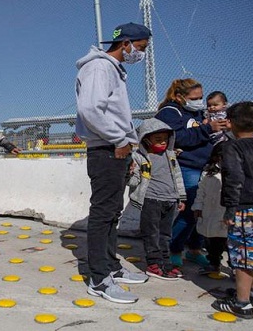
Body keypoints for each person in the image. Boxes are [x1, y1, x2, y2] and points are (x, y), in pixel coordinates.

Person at [75, 22, 151, 304]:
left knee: (111, 213)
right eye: (140, 48)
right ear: (126, 43)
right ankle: (98, 279)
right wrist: (119, 139)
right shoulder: (100, 67)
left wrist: (125, 146)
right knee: (103, 214)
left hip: (115, 148)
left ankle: (111, 267)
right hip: (107, 149)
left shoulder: (112, 70)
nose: (140, 54)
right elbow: (90, 108)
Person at [211, 101, 253, 319]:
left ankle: (242, 303)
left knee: (242, 257)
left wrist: (230, 209)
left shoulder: (231, 147)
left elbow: (234, 179)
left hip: (244, 210)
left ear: (229, 123)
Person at [155, 78, 228, 270]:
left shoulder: (197, 113)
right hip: (187, 167)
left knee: (204, 211)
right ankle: (174, 249)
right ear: (180, 97)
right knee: (189, 212)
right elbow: (175, 137)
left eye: (201, 97)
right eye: (194, 97)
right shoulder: (170, 112)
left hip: (205, 167)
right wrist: (207, 129)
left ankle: (195, 249)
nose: (199, 101)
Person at [128, 118, 186, 281]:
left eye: (165, 139)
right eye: (157, 139)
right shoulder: (139, 158)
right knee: (151, 233)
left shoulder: (171, 156)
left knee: (166, 234)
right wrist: (130, 172)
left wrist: (181, 197)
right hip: (151, 200)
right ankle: (154, 264)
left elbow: (177, 176)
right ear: (146, 140)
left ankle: (166, 263)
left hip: (170, 200)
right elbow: (133, 182)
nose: (163, 142)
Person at [192, 143, 228, 275]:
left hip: (226, 212)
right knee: (212, 240)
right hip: (210, 211)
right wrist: (198, 206)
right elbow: (201, 191)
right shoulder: (208, 171)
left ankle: (235, 267)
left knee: (229, 242)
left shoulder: (236, 171)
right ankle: (214, 263)